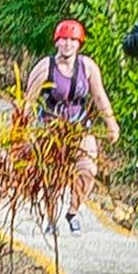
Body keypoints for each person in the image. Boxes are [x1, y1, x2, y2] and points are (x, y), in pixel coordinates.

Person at [25, 16, 112, 214]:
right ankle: (50, 213)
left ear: (79, 43)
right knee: (51, 173)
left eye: (72, 40)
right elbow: (28, 101)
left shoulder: (88, 67)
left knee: (88, 169)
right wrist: (23, 131)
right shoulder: (45, 67)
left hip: (80, 125)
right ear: (56, 42)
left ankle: (73, 211)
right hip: (49, 126)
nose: (67, 44)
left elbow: (99, 97)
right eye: (63, 39)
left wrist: (111, 124)